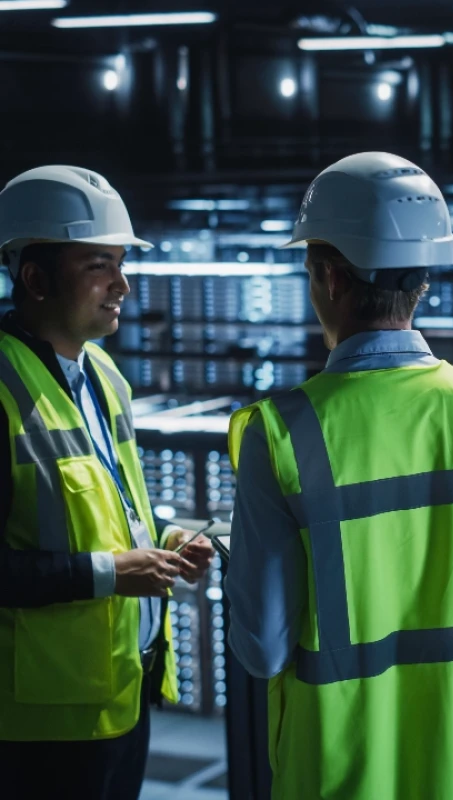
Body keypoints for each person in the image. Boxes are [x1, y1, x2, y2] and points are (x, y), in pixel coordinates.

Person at [225, 152, 453, 800]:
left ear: (327, 277)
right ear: (423, 282)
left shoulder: (283, 431)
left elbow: (262, 650)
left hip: (332, 775)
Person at [0, 165, 215, 800]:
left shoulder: (104, 377)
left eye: (121, 263)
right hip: (36, 728)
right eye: (99, 265)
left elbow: (107, 512)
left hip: (121, 694)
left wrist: (165, 541)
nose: (122, 284)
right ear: (35, 279)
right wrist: (109, 573)